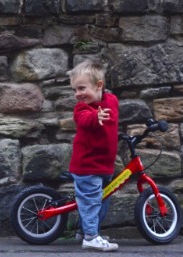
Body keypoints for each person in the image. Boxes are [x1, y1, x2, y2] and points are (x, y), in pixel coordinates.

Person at [68, 59, 119, 252]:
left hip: (104, 165)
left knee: (101, 199)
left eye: (81, 88)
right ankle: (90, 237)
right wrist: (95, 117)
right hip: (87, 165)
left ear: (99, 86)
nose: (77, 94)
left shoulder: (111, 100)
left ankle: (87, 230)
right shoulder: (82, 108)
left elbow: (112, 120)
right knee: (90, 200)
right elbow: (83, 120)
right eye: (75, 90)